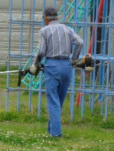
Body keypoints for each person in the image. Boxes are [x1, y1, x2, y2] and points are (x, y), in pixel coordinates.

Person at [30, 7, 83, 138]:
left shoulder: (44, 30)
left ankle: (55, 134)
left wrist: (35, 64)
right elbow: (80, 42)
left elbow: (41, 51)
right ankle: (51, 129)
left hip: (52, 65)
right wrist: (74, 59)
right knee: (58, 101)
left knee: (53, 102)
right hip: (66, 65)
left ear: (46, 18)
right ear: (57, 18)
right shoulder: (68, 29)